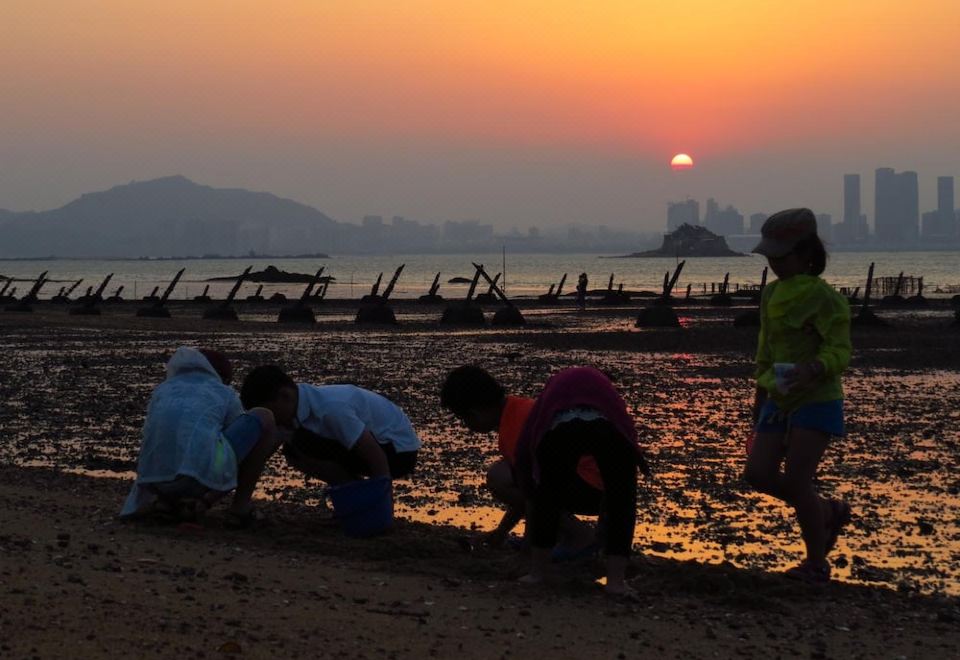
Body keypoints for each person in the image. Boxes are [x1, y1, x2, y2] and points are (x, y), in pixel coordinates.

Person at [745, 207, 852, 585]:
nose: (775, 264)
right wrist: (758, 403)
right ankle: (825, 510)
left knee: (796, 480)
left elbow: (840, 348)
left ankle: (816, 562)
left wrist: (816, 368)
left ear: (806, 254)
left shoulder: (824, 298)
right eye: (770, 257)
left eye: (782, 256)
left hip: (818, 398)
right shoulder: (771, 293)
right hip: (778, 397)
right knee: (757, 473)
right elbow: (766, 351)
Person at [514, 366, 648, 596]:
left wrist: (529, 487)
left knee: (549, 498)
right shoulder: (607, 392)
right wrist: (638, 462)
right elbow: (625, 428)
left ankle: (538, 573)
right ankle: (616, 582)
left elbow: (526, 441)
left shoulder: (553, 387)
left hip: (562, 427)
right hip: (607, 429)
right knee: (622, 502)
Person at [440, 365, 602, 552]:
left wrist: (529, 548)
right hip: (594, 483)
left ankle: (579, 536)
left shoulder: (516, 427)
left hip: (591, 487)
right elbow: (525, 490)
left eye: (463, 419)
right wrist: (502, 531)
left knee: (499, 477)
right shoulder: (517, 409)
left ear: (475, 412)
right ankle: (558, 535)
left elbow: (533, 494)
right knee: (508, 475)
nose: (466, 426)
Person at [120, 347, 279, 527]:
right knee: (263, 417)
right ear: (223, 377)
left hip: (152, 481)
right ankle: (238, 508)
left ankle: (168, 502)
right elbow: (240, 441)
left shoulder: (163, 390)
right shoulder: (223, 392)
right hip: (195, 480)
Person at [240, 365, 420, 484]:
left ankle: (359, 496)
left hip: (398, 451)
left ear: (285, 396)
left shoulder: (331, 409)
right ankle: (354, 492)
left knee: (301, 445)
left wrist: (380, 507)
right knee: (294, 449)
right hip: (378, 446)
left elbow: (376, 456)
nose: (270, 419)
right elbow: (261, 454)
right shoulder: (292, 413)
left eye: (269, 411)